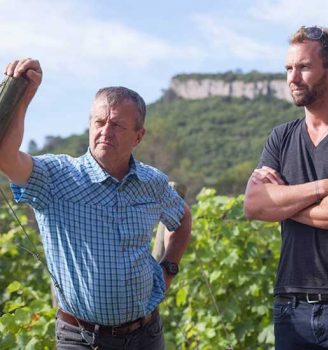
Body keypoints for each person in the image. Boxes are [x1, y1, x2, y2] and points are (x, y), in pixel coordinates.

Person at [0, 58, 192, 350]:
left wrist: (169, 269)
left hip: (146, 334)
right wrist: (25, 95)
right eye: (99, 122)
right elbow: (5, 157)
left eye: (117, 125)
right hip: (82, 339)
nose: (105, 131)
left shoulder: (151, 183)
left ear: (138, 136)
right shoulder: (56, 177)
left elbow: (182, 217)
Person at [244, 26, 328, 349]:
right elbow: (255, 205)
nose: (293, 77)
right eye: (289, 68)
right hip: (290, 307)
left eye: (303, 67)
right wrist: (325, 187)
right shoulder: (280, 138)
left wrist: (285, 204)